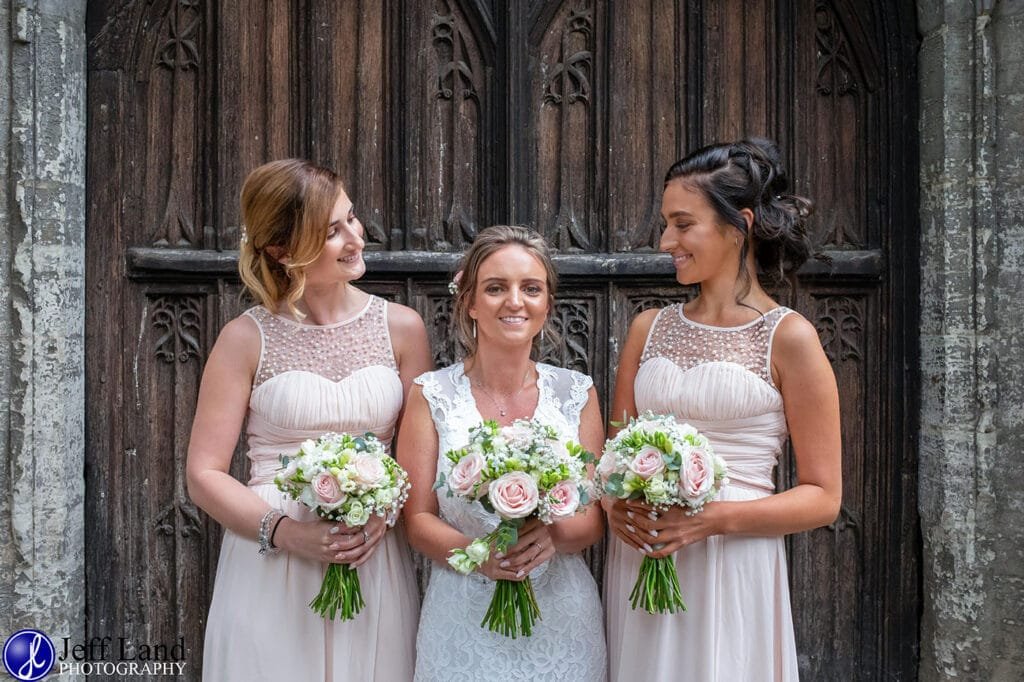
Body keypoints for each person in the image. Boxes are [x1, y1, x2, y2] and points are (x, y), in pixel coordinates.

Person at [603, 139, 842, 681]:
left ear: (741, 225)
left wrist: (709, 521)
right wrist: (615, 507)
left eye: (683, 224)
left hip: (732, 563)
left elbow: (824, 498)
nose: (667, 240)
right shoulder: (648, 329)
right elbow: (611, 457)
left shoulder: (790, 338)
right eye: (666, 224)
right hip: (646, 553)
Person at [186, 159, 432, 681]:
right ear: (281, 249)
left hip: (369, 555)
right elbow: (203, 474)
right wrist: (287, 534)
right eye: (331, 232)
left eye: (352, 219)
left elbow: (418, 462)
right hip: (272, 559)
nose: (355, 238)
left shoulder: (403, 329)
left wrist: (378, 517)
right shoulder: (245, 338)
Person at [397, 226, 607, 681]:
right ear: (470, 302)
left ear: (547, 302)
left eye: (531, 288)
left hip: (562, 615)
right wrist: (480, 555)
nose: (515, 301)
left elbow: (593, 516)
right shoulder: (431, 394)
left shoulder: (576, 393)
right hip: (461, 615)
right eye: (496, 288)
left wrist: (554, 536)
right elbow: (416, 520)